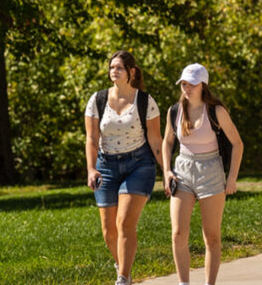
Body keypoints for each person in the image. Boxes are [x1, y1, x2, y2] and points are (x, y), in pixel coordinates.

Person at [85, 51, 164, 285]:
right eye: (111, 67)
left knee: (124, 222)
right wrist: (91, 169)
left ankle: (123, 277)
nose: (114, 71)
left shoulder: (144, 102)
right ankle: (123, 265)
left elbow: (156, 140)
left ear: (131, 72)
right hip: (106, 166)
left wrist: (167, 170)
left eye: (119, 67)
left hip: (139, 164)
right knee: (109, 232)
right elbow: (91, 138)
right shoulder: (97, 100)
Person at [162, 63, 244, 285]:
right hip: (183, 171)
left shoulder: (216, 111)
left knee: (212, 236)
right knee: (178, 233)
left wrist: (232, 177)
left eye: (193, 84)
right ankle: (184, 283)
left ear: (203, 85)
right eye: (184, 84)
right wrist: (167, 170)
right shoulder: (175, 111)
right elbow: (168, 141)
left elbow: (237, 144)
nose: (187, 88)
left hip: (211, 171)